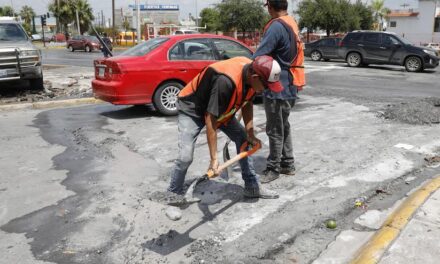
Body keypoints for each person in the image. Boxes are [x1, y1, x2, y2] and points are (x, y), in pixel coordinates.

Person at [167, 55, 284, 201]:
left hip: (220, 108)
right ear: (254, 77)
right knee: (185, 156)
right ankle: (173, 193)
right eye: (266, 86)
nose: (267, 90)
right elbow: (211, 119)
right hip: (193, 108)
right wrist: (214, 159)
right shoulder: (225, 81)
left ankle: (252, 186)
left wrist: (250, 133)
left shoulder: (253, 73)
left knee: (243, 139)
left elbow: (247, 103)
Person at [252, 0, 306, 183]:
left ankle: (273, 168)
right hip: (291, 83)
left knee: (275, 128)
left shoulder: (276, 27)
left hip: (277, 86)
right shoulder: (291, 22)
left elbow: (259, 56)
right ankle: (288, 164)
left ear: (270, 7)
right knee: (284, 125)